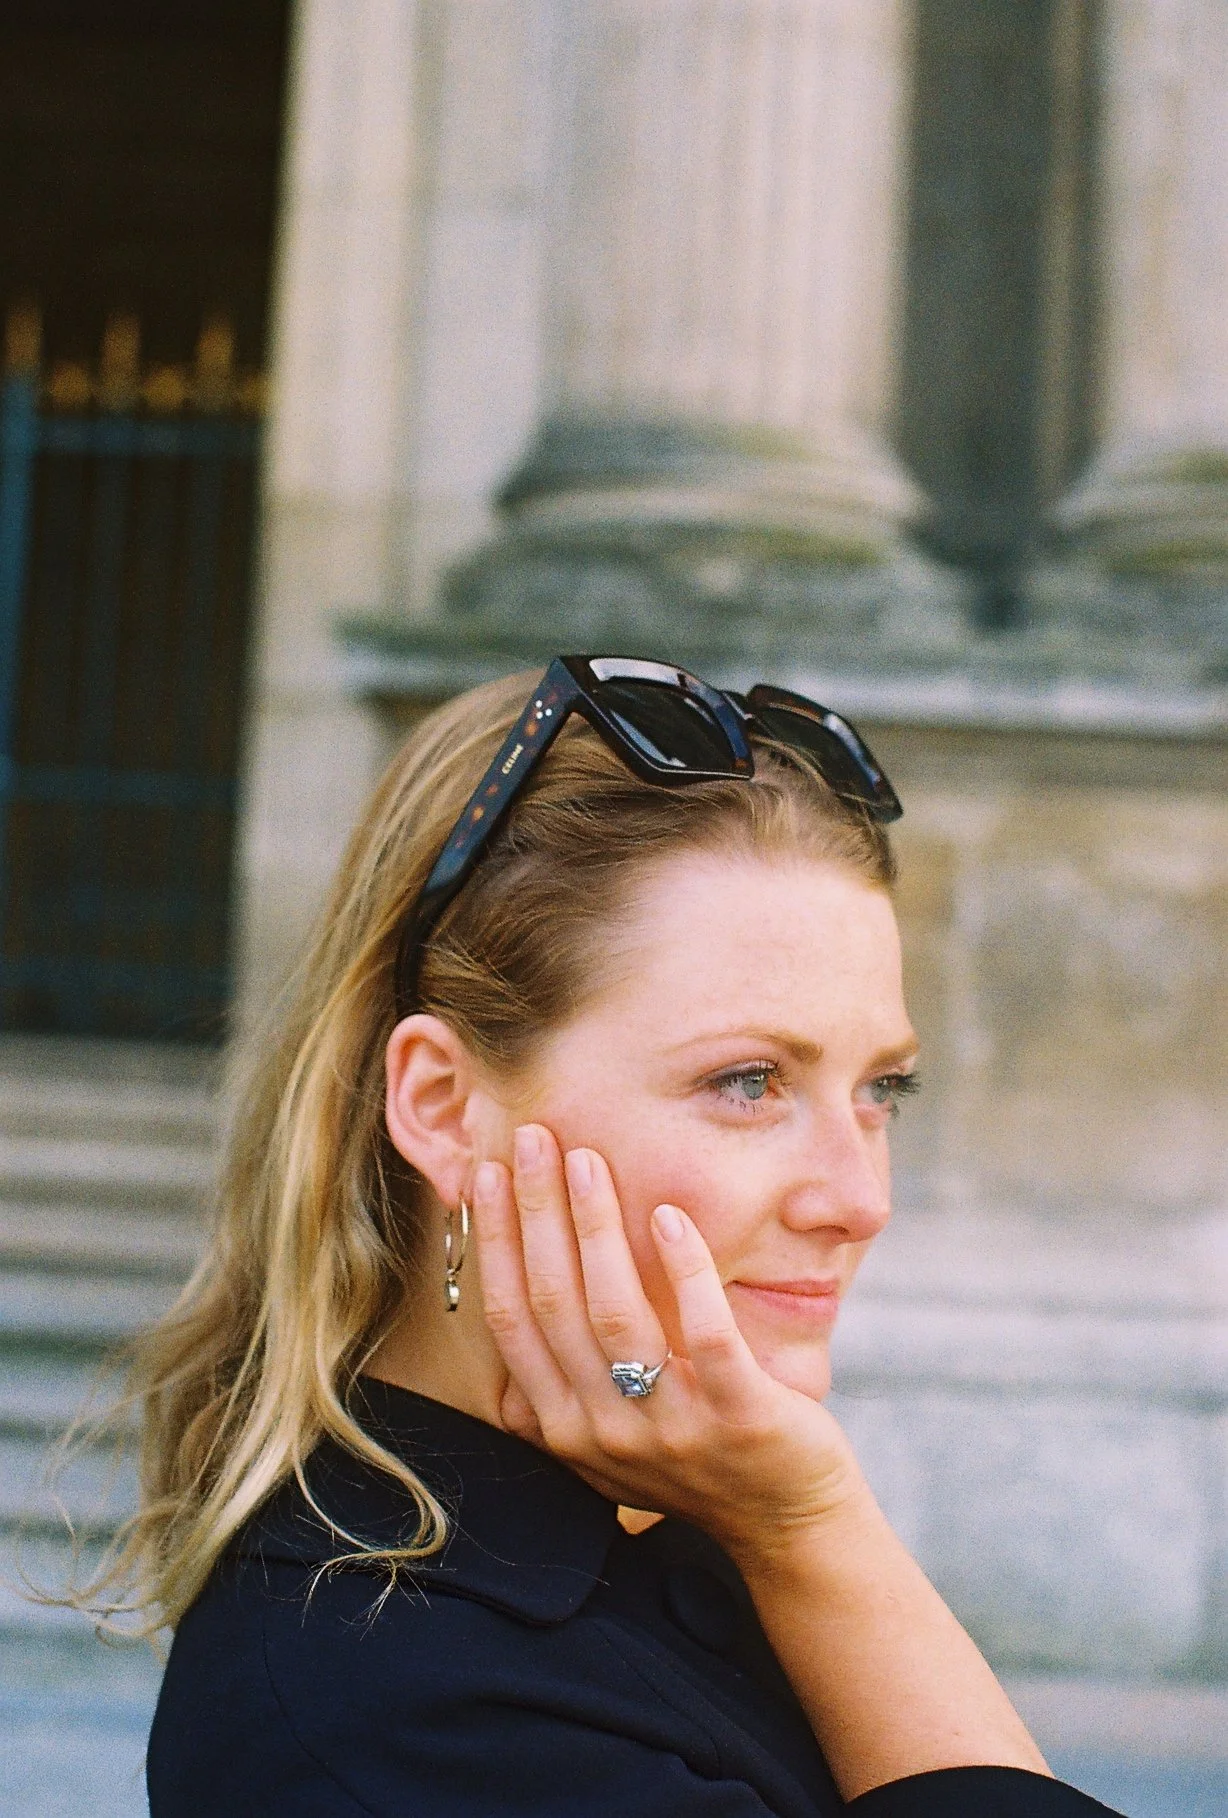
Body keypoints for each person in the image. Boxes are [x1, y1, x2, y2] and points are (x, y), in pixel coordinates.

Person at [126, 657, 1121, 1815]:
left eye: (880, 1090)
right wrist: (812, 1528)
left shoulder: (675, 1514)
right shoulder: (401, 1707)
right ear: (444, 1108)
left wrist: (797, 1536)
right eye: (748, 1081)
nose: (858, 1199)